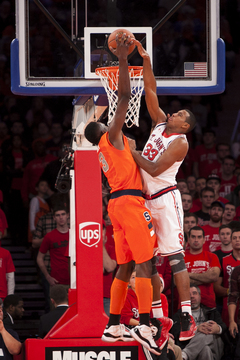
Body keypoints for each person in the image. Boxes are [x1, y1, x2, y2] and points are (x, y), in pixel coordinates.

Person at [84, 35, 160, 355]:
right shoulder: (111, 138)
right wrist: (125, 58)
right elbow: (126, 96)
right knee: (146, 264)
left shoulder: (114, 148)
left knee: (125, 267)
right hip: (129, 202)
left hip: (117, 204)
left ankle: (113, 323)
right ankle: (144, 322)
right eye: (107, 122)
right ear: (103, 129)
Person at [130, 40, 197, 342]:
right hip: (146, 200)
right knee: (147, 260)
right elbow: (151, 91)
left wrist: (130, 152)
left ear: (186, 126)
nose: (174, 113)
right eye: (176, 111)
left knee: (175, 259)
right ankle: (159, 317)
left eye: (180, 113)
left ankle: (186, 315)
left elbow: (154, 170)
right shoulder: (159, 123)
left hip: (165, 200)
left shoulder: (180, 143)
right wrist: (145, 61)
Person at [171, 285, 226, 360]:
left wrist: (218, 329)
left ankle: (184, 355)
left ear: (200, 296)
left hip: (215, 348)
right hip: (195, 349)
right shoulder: (179, 315)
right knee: (205, 349)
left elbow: (224, 327)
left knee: (208, 326)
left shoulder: (212, 312)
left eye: (194, 293)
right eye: (188, 294)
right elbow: (176, 333)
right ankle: (187, 353)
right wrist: (196, 329)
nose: (192, 296)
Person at [184, 226, 221, 308]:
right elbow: (178, 281)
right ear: (189, 240)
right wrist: (206, 277)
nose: (196, 240)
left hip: (208, 303)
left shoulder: (212, 256)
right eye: (193, 237)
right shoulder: (182, 257)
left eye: (199, 237)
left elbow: (214, 276)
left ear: (204, 240)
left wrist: (188, 275)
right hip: (186, 303)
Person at [37, 205, 70, 288]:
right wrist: (48, 277)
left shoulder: (75, 234)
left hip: (74, 280)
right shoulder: (49, 237)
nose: (61, 217)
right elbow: (39, 258)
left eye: (63, 214)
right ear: (54, 218)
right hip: (57, 281)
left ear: (67, 215)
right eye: (58, 215)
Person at [218, 229, 240, 327]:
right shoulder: (224, 260)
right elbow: (216, 287)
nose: (237, 240)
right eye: (234, 238)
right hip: (228, 306)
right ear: (231, 241)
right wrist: (232, 292)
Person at [28, 179, 50, 243]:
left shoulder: (45, 202)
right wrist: (32, 228)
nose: (45, 187)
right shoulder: (35, 199)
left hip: (43, 229)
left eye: (46, 185)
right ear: (37, 188)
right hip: (37, 228)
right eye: (42, 185)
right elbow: (32, 213)